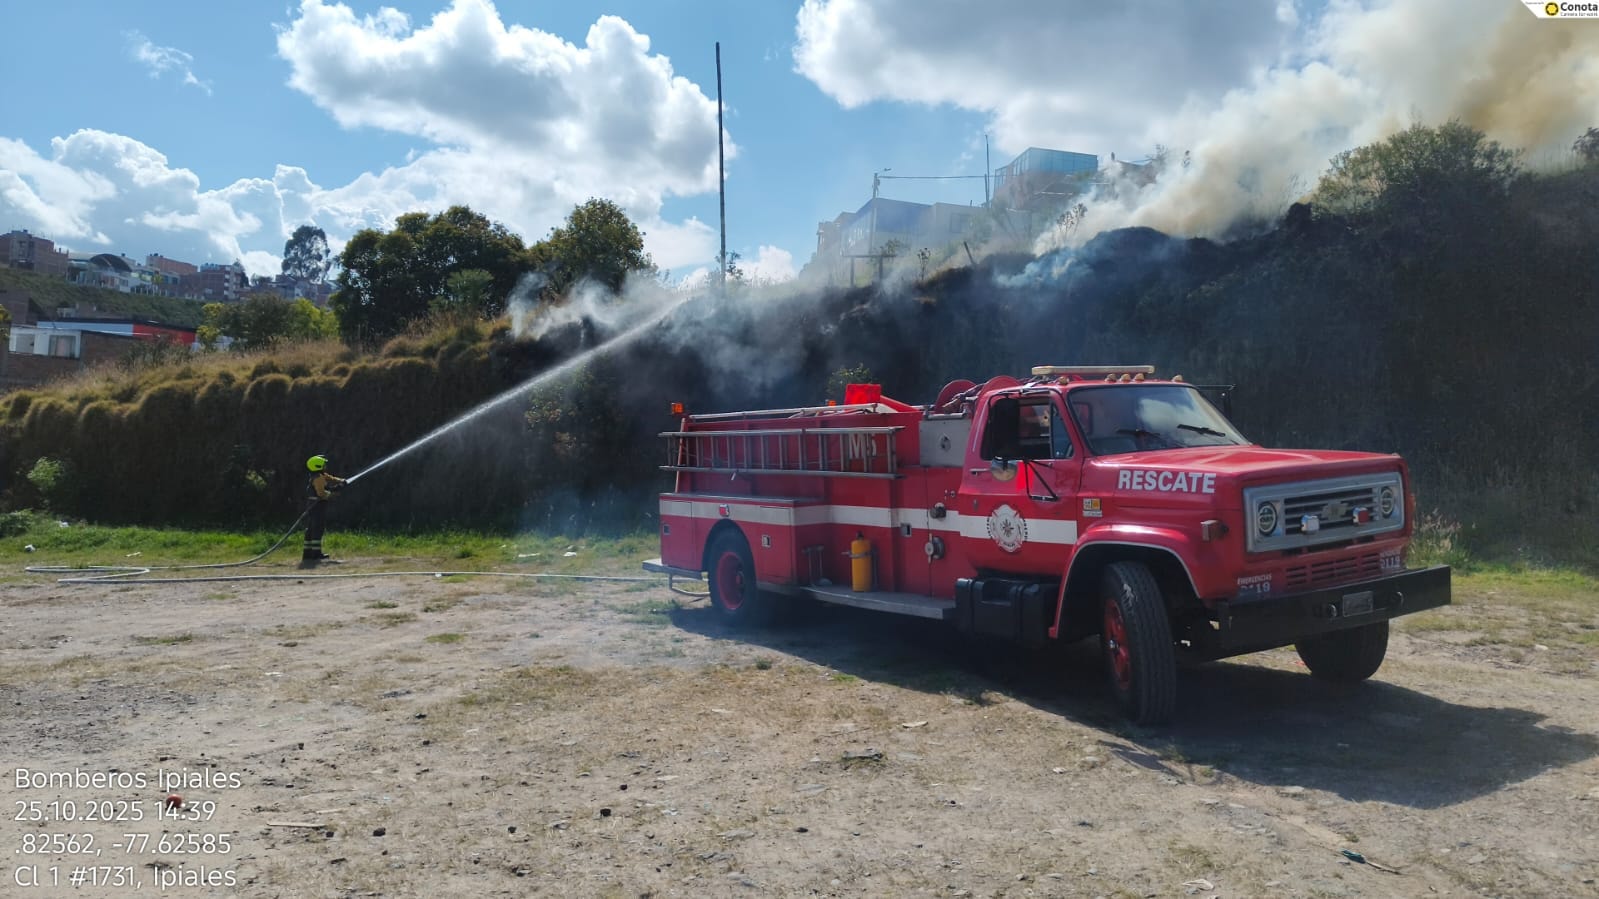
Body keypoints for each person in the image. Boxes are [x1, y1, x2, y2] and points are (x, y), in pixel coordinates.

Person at [302, 455, 347, 566]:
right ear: (318, 466)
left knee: (311, 528)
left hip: (314, 505)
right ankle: (315, 554)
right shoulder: (318, 478)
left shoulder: (320, 475)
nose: (325, 466)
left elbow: (330, 478)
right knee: (317, 528)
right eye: (323, 464)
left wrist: (342, 481)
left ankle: (307, 554)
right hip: (316, 506)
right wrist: (334, 492)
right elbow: (321, 494)